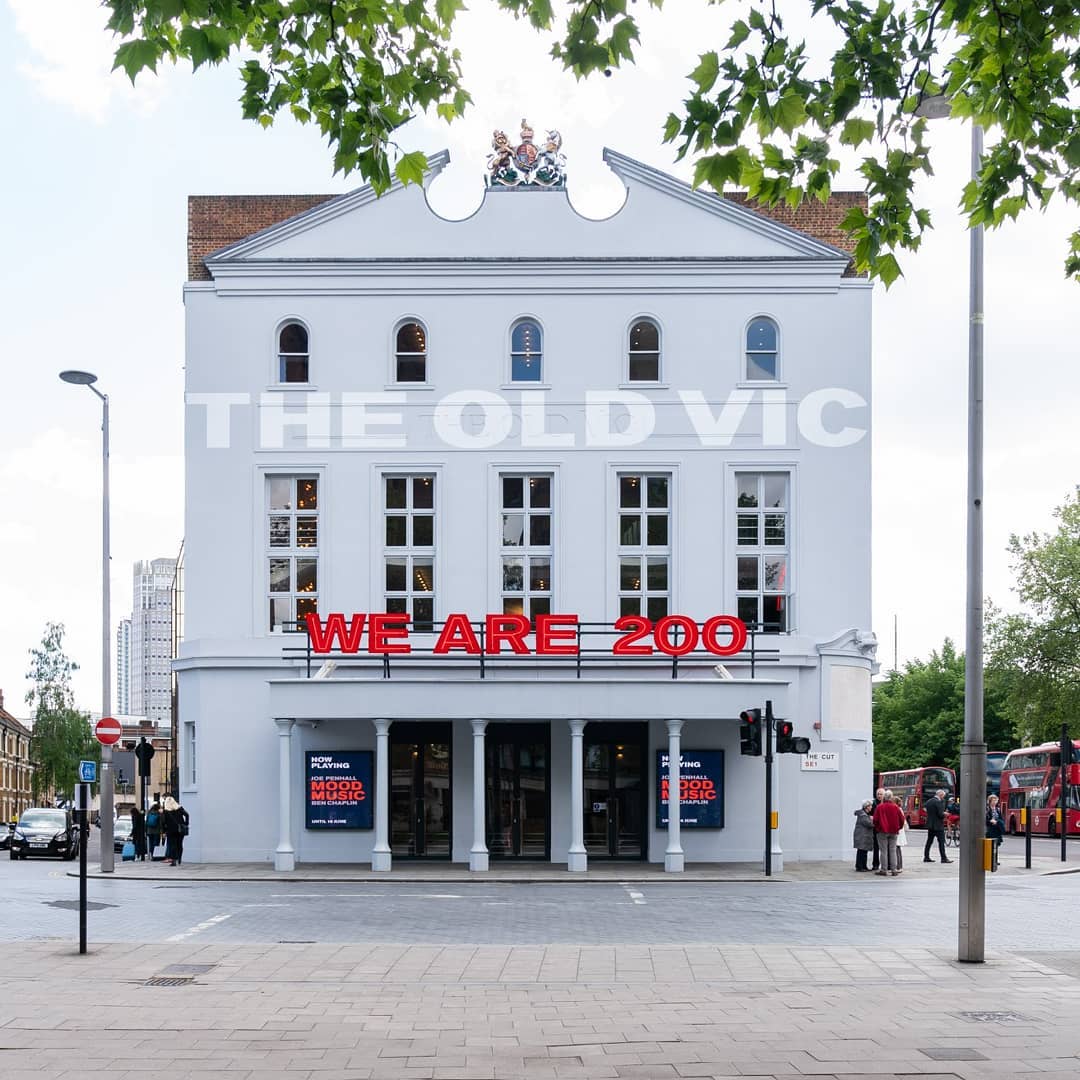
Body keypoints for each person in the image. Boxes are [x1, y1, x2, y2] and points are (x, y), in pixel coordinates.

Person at [872, 788, 905, 875]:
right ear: (891, 797)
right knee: (893, 850)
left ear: (884, 797)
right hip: (894, 831)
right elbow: (902, 819)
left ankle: (884, 869)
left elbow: (875, 820)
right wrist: (898, 827)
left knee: (883, 851)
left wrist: (878, 828)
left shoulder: (880, 807)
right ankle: (894, 870)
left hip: (882, 831)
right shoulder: (896, 807)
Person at [923, 788, 952, 863]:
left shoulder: (929, 801)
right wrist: (945, 814)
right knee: (941, 842)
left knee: (929, 841)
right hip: (938, 825)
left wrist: (930, 814)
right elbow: (940, 814)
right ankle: (943, 858)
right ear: (940, 794)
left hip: (930, 824)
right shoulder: (938, 802)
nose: (943, 798)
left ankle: (926, 857)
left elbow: (924, 808)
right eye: (943, 796)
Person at [162, 796, 190, 866]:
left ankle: (174, 861)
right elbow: (187, 814)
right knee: (179, 844)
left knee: (172, 845)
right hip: (180, 829)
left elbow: (164, 822)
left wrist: (164, 831)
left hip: (171, 830)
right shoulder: (179, 808)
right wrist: (185, 823)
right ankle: (179, 859)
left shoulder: (166, 810)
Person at [853, 800, 875, 871]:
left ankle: (863, 866)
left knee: (863, 852)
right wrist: (872, 820)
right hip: (862, 837)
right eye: (870, 806)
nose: (871, 807)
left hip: (862, 837)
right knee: (862, 852)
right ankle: (860, 867)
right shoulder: (863, 815)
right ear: (866, 807)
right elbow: (869, 824)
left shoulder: (864, 815)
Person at [871, 787, 886, 871]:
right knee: (876, 848)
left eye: (881, 794)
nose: (879, 796)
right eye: (878, 794)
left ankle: (885, 864)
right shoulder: (873, 803)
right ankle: (875, 864)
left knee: (884, 848)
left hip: (884, 829)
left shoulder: (886, 803)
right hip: (876, 829)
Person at [892, 793, 907, 871]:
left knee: (896, 848)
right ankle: (899, 866)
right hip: (900, 831)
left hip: (898, 831)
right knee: (897, 849)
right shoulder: (899, 809)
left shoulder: (897, 809)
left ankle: (898, 866)